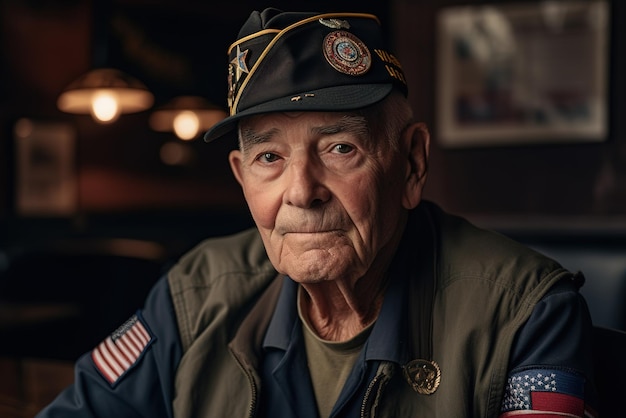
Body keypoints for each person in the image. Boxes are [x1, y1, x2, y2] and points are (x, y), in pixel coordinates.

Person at [37, 7, 598, 418]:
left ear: (410, 164)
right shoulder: (196, 292)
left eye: (340, 149)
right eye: (269, 157)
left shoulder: (526, 313)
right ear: (241, 178)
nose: (301, 192)